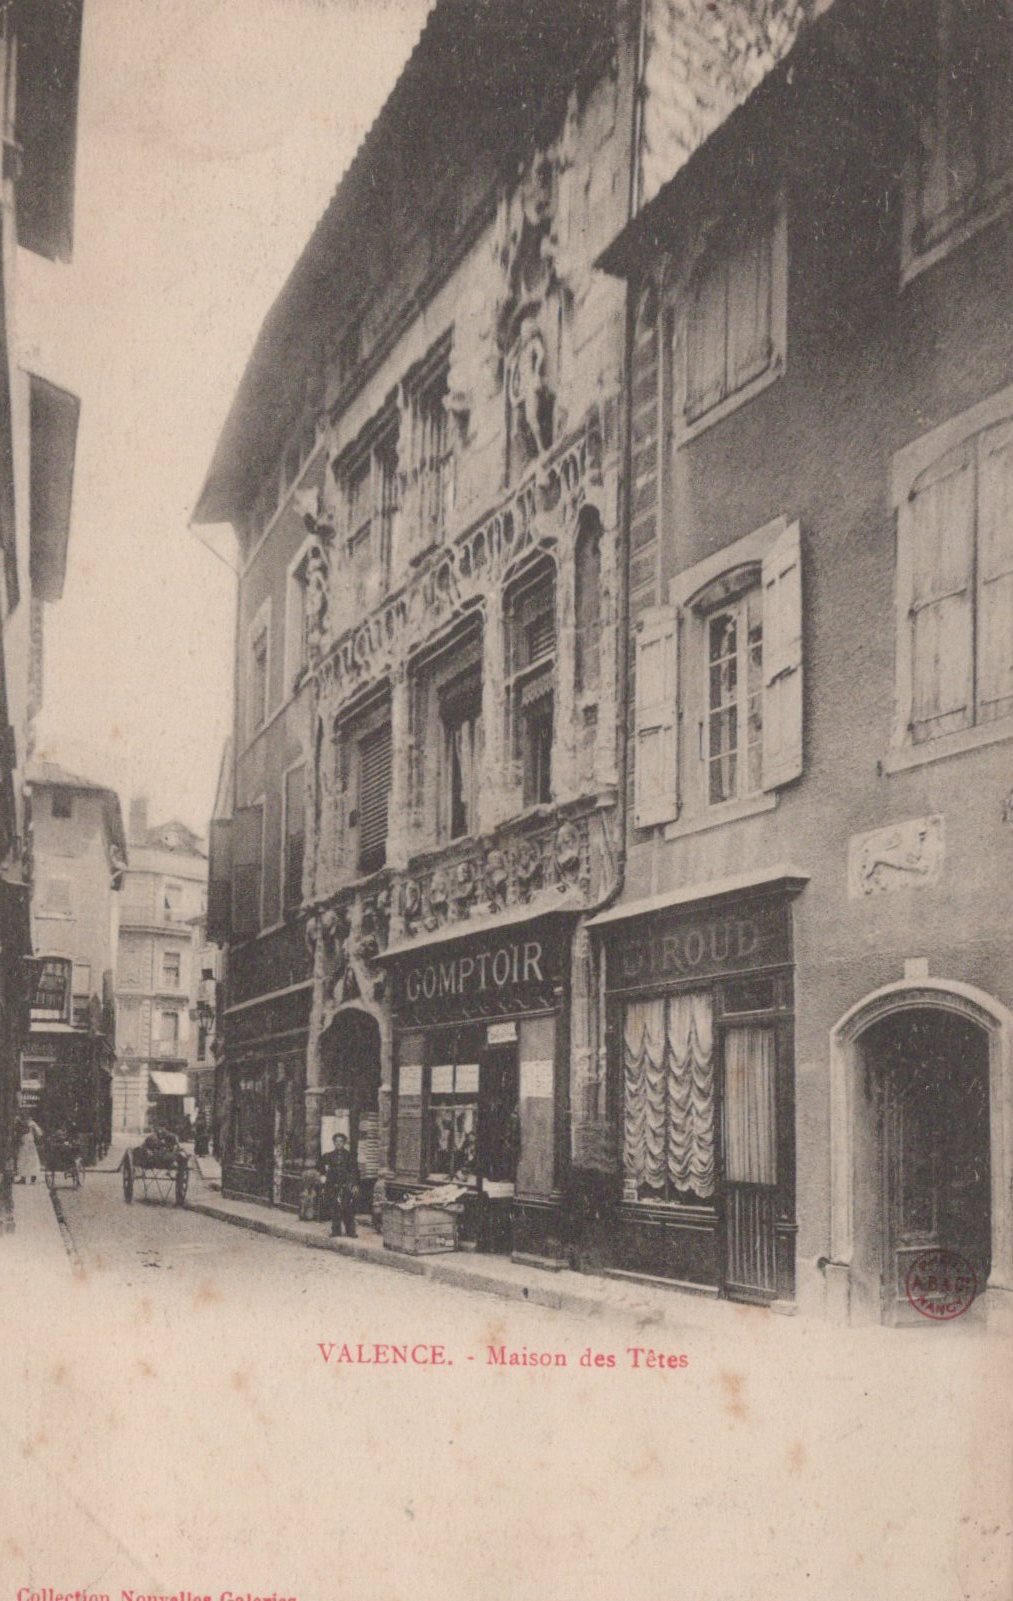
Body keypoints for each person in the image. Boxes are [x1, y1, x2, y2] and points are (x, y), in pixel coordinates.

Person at [316, 1131, 360, 1238]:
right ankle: (336, 1231)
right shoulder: (329, 1156)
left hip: (346, 1185)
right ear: (334, 1143)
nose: (339, 1143)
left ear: (344, 1143)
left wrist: (354, 1185)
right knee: (335, 1208)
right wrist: (323, 1180)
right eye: (337, 1141)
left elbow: (354, 1171)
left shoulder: (349, 1156)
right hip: (333, 1185)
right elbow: (321, 1168)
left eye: (341, 1141)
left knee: (347, 1208)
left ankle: (350, 1231)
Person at [15, 1117, 43, 1184]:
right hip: (23, 1142)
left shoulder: (31, 1123)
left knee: (32, 1159)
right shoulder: (19, 1122)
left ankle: (33, 1176)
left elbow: (39, 1133)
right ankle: (23, 1177)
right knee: (23, 1159)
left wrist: (36, 1137)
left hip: (29, 1143)